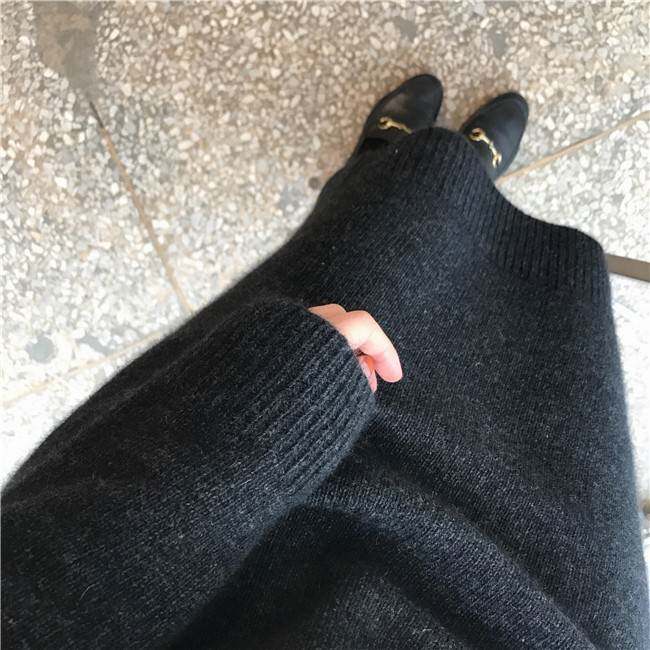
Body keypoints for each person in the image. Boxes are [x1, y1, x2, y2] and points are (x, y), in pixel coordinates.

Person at [2, 75, 647, 649]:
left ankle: (398, 167)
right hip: (548, 598)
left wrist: (269, 413)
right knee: (534, 355)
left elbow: (36, 603)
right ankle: (437, 177)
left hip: (254, 539)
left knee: (371, 266)